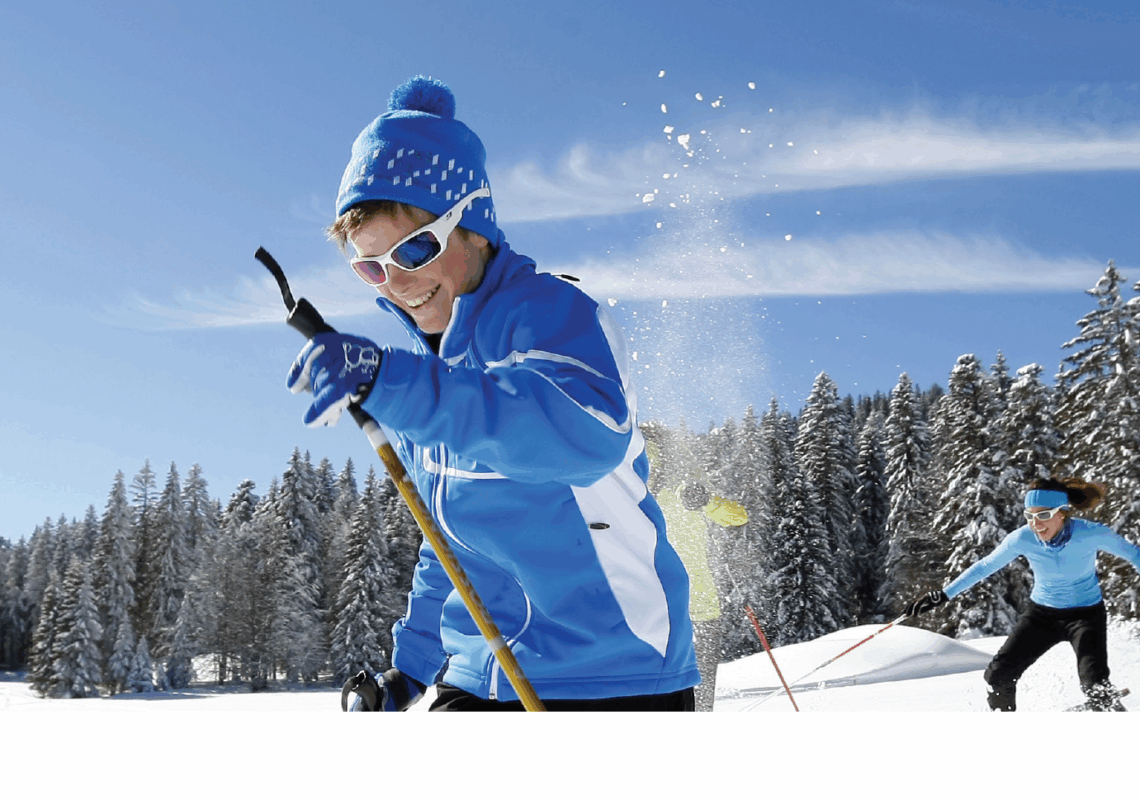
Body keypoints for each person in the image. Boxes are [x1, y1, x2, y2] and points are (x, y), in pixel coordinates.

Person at [286, 75, 699, 711]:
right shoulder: (434, 371)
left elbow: (578, 437)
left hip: (608, 672)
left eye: (413, 250)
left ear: (475, 227)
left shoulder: (552, 315)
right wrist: (415, 667)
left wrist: (395, 383)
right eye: (372, 268)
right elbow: (446, 537)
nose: (397, 282)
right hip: (487, 671)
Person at [904, 477, 1140, 711]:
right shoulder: (1023, 538)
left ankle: (1111, 715)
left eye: (1044, 515)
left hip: (1085, 617)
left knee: (1095, 685)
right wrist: (944, 595)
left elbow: (1135, 555)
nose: (1036, 523)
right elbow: (985, 566)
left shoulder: (1090, 533)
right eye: (1030, 515)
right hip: (1041, 616)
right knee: (998, 676)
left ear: (1063, 513)